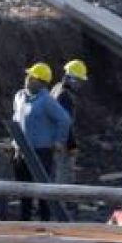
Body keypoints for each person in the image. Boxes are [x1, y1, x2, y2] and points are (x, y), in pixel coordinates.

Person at [12, 62, 72, 220]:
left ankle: (45, 224)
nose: (28, 79)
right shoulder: (20, 96)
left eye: (31, 77)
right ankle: (25, 223)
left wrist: (59, 141)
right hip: (21, 151)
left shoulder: (46, 101)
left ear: (41, 82)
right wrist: (14, 141)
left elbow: (64, 120)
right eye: (28, 76)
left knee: (42, 191)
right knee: (23, 190)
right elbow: (16, 118)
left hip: (41, 152)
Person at [52, 58, 89, 186]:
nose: (80, 85)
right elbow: (65, 123)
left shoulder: (56, 89)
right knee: (63, 176)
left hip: (54, 140)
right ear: (72, 79)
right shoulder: (65, 96)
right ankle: (59, 204)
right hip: (61, 144)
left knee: (56, 174)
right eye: (79, 80)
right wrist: (72, 145)